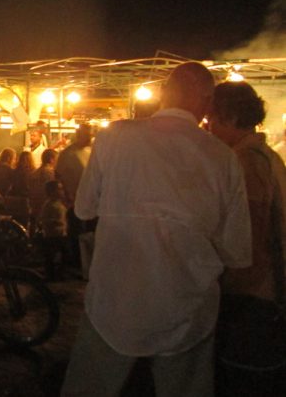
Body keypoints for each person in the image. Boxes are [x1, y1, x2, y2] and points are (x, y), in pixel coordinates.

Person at [61, 62, 253, 396]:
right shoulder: (223, 158)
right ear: (207, 105)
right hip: (186, 308)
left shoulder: (113, 137)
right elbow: (236, 252)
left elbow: (84, 208)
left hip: (114, 301)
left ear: (163, 94)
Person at [208, 82, 286, 301]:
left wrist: (231, 284)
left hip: (254, 291)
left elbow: (252, 231)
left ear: (231, 118)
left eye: (212, 119)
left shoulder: (247, 161)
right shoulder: (266, 155)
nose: (209, 127)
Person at [55, 123, 94, 271]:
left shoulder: (92, 151)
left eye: (90, 134)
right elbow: (58, 176)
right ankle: (76, 263)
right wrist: (65, 196)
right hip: (74, 201)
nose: (90, 137)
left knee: (90, 233)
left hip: (91, 200)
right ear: (79, 135)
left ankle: (88, 263)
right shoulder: (67, 154)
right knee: (76, 233)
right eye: (87, 134)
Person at [38, 180, 67, 281]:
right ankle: (52, 276)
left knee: (60, 256)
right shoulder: (49, 205)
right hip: (53, 235)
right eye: (59, 189)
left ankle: (58, 275)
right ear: (52, 191)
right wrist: (55, 222)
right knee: (52, 256)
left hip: (61, 234)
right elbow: (44, 219)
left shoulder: (59, 204)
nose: (62, 191)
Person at [28, 148, 58, 228]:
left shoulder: (34, 173)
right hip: (46, 209)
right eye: (56, 159)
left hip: (34, 208)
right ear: (51, 160)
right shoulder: (51, 173)